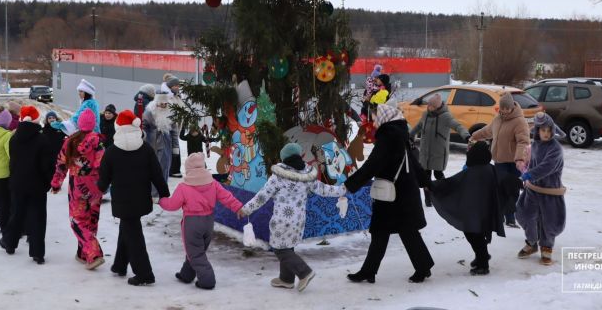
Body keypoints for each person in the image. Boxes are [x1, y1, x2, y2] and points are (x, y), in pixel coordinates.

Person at [344, 104, 434, 284]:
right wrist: (425, 182)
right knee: (382, 231)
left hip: (394, 194)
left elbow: (373, 163)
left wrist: (351, 184)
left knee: (404, 232)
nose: (375, 121)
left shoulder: (388, 136)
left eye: (377, 117)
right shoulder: (399, 133)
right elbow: (411, 161)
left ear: (386, 117)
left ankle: (422, 268)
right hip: (399, 192)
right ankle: (369, 271)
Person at [237, 143, 346, 292]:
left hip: (281, 221)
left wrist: (246, 209)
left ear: (284, 159)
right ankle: (286, 279)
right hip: (299, 221)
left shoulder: (278, 177)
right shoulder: (307, 176)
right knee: (288, 247)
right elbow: (324, 190)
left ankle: (304, 272)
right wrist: (343, 189)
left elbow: (262, 196)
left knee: (280, 249)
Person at [98, 110, 170, 286]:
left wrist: (99, 189)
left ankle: (145, 274)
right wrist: (164, 192)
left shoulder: (111, 151)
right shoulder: (145, 148)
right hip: (140, 198)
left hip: (122, 200)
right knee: (128, 227)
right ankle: (120, 265)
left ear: (118, 128)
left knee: (133, 235)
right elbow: (156, 173)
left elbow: (103, 179)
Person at [159, 152, 243, 290]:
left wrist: (161, 201)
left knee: (195, 252)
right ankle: (186, 274)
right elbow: (227, 197)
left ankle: (207, 280)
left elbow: (172, 205)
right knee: (197, 249)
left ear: (188, 169)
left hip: (192, 223)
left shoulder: (183, 187)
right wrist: (238, 207)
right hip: (208, 221)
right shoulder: (213, 183)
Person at [429, 141, 505, 275]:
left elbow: (452, 183)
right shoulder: (489, 168)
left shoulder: (473, 171)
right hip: (485, 210)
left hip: (473, 212)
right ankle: (482, 257)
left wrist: (432, 186)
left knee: (474, 236)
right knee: (477, 236)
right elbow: (504, 180)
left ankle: (483, 265)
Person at [51, 111, 105, 270]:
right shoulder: (99, 142)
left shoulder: (70, 142)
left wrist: (56, 183)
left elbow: (61, 164)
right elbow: (102, 164)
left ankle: (94, 254)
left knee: (77, 219)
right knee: (91, 218)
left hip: (78, 185)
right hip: (95, 184)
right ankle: (84, 253)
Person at [0, 106, 54, 264]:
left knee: (17, 213)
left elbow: (12, 162)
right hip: (37, 185)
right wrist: (47, 183)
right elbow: (47, 166)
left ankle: (10, 243)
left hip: (18, 183)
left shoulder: (13, 138)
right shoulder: (42, 140)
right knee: (38, 218)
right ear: (37, 119)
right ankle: (37, 253)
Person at [470, 92, 531, 227]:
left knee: (512, 189)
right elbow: (488, 131)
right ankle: (501, 215)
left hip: (513, 162)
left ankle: (510, 217)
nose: (504, 111)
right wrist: (475, 135)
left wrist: (520, 158)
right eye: (502, 108)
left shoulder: (519, 121)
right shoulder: (498, 119)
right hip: (499, 160)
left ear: (511, 108)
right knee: (500, 188)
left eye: (506, 109)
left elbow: (523, 141)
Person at [515, 112, 566, 266]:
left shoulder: (556, 149)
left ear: (553, 130)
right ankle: (531, 243)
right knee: (525, 214)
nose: (546, 133)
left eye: (548, 130)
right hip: (532, 188)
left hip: (550, 191)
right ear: (537, 130)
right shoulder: (535, 145)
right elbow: (532, 162)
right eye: (543, 130)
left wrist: (529, 174)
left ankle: (546, 247)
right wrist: (525, 171)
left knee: (548, 221)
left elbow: (547, 167)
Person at [410, 93, 470, 206]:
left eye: (431, 106)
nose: (429, 107)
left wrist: (466, 136)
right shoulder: (425, 115)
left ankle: (443, 194)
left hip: (438, 151)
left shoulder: (446, 116)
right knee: (425, 176)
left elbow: (457, 126)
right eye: (428, 105)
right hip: (425, 150)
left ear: (437, 106)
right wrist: (410, 135)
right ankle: (428, 199)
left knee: (438, 174)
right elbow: (418, 126)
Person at [143, 92, 181, 187]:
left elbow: (174, 132)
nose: (163, 105)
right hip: (151, 142)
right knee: (152, 168)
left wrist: (175, 147)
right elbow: (143, 127)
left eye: (165, 104)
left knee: (164, 167)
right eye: (161, 103)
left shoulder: (171, 113)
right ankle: (153, 193)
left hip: (166, 143)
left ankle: (162, 190)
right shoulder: (149, 112)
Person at [161, 74, 183, 177]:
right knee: (170, 148)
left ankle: (174, 169)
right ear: (170, 86)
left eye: (178, 86)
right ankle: (171, 169)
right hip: (168, 127)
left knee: (175, 148)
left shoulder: (176, 96)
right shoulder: (165, 97)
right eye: (175, 85)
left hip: (175, 127)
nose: (177, 87)